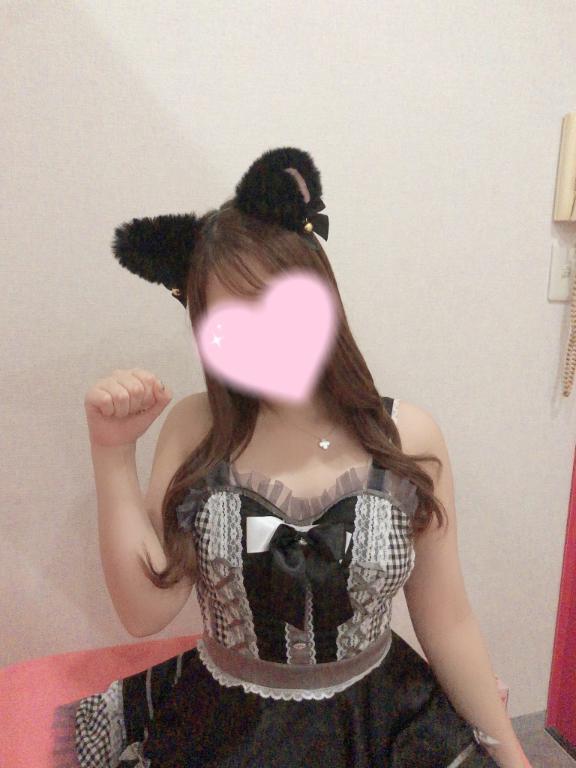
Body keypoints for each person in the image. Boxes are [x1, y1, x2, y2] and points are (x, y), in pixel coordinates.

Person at [51, 147, 529, 767]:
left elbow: (449, 622)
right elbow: (145, 610)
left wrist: (513, 756)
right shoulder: (197, 427)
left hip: (381, 723)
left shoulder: (408, 436)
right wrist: (113, 453)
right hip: (228, 727)